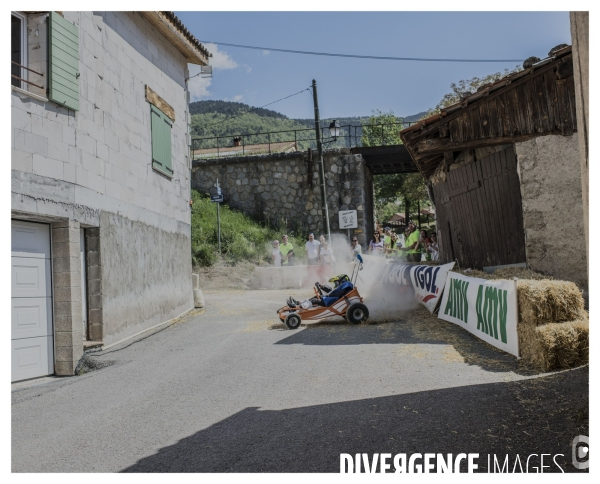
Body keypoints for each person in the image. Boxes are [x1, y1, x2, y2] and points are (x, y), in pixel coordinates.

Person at [286, 274, 353, 309]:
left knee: (314, 301)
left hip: (330, 301)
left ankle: (296, 307)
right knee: (315, 297)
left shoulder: (346, 285)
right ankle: (298, 303)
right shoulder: (341, 289)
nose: (335, 284)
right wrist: (321, 286)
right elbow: (331, 291)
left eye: (336, 282)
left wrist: (326, 295)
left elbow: (334, 293)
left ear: (342, 280)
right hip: (329, 299)